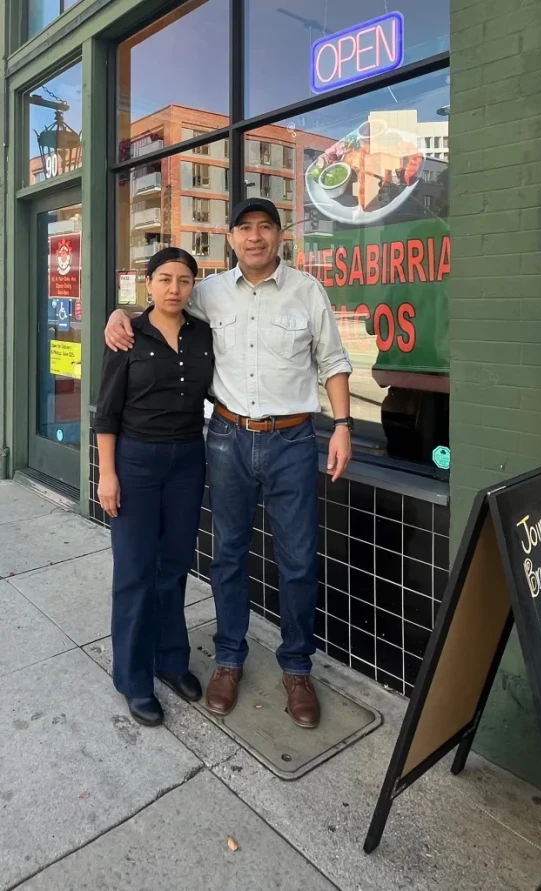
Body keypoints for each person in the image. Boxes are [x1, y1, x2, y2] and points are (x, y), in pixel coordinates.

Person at [104, 198, 353, 730]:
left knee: (298, 559)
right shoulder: (209, 291)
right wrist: (117, 315)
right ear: (230, 237)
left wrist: (345, 426)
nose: (255, 237)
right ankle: (228, 659)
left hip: (292, 441)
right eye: (245, 228)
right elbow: (157, 310)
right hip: (226, 438)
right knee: (227, 555)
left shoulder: (308, 291)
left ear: (279, 236)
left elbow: (332, 361)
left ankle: (296, 667)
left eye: (265, 228)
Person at [94, 247, 214, 727]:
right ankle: (133, 677)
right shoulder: (127, 334)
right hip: (136, 461)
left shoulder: (203, 333)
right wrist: (108, 473)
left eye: (184, 280)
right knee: (135, 573)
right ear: (148, 284)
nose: (174, 288)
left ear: (193, 287)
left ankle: (171, 660)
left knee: (175, 567)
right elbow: (106, 411)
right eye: (164, 279)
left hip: (188, 460)